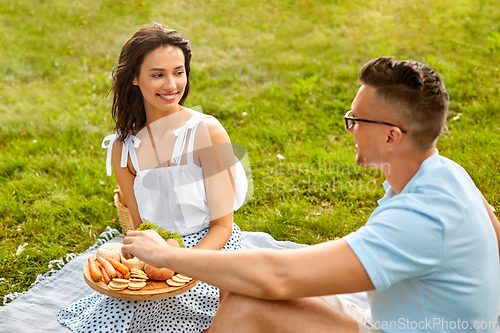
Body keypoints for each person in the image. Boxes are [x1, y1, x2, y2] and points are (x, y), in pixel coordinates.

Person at [121, 57, 500, 332]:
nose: (349, 129)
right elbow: (496, 236)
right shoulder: (448, 173)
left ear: (391, 136)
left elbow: (278, 277)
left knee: (248, 305)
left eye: (355, 120)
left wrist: (167, 255)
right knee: (236, 286)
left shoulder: (418, 218)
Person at [58, 22, 247, 333]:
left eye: (179, 71)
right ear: (134, 77)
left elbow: (222, 227)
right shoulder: (123, 149)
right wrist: (146, 259)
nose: (171, 84)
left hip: (212, 250)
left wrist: (183, 264)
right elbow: (141, 226)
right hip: (160, 251)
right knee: (121, 316)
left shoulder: (207, 132)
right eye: (157, 74)